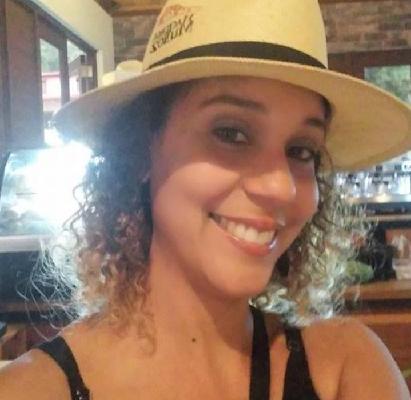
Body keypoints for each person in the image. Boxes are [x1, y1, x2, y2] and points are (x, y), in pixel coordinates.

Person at [1, 0, 411, 399]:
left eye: (301, 150)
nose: (282, 187)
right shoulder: (30, 390)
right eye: (231, 133)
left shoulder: (346, 369)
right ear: (140, 150)